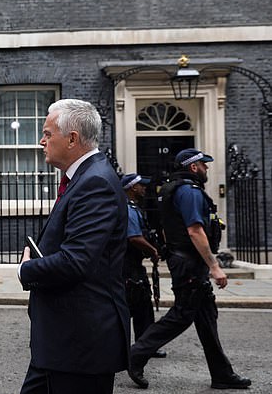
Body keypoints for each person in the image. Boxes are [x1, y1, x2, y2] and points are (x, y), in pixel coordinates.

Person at [18, 99, 130, 394]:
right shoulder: (84, 177)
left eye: (47, 133)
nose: (41, 141)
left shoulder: (96, 183)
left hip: (81, 344)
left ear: (72, 139)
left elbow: (76, 260)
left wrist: (27, 269)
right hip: (63, 342)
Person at [128, 148, 251, 390]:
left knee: (206, 318)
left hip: (182, 260)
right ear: (193, 167)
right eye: (204, 165)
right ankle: (135, 354)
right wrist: (214, 266)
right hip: (190, 264)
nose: (206, 169)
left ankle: (222, 374)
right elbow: (195, 230)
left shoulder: (170, 190)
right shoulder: (189, 191)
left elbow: (165, 228)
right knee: (182, 314)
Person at [121, 173, 166, 358]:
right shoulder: (129, 210)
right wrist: (153, 251)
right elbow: (134, 237)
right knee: (136, 306)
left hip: (133, 265)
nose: (145, 188)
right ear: (132, 188)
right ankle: (140, 347)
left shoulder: (132, 208)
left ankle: (144, 345)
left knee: (143, 308)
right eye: (142, 185)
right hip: (128, 266)